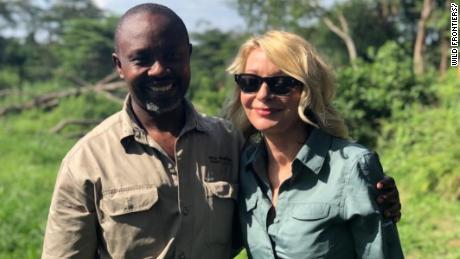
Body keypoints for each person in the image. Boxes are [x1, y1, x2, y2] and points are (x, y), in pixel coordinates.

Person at [42, 3, 400, 259]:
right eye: (142, 59)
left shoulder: (230, 145)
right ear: (119, 66)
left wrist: (373, 192)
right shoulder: (86, 161)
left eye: (281, 83)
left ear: (189, 57)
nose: (159, 70)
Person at [226, 30, 404, 258]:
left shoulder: (351, 168)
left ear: (307, 91)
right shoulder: (242, 166)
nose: (263, 94)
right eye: (249, 82)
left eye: (281, 83)